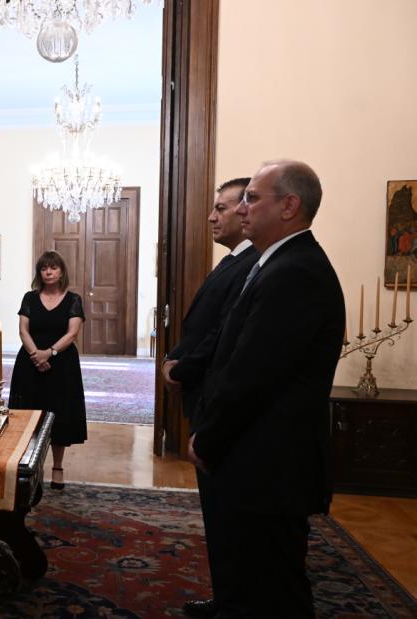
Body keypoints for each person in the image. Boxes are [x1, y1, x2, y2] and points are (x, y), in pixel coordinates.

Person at [189, 160, 344, 617]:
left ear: (289, 206)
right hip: (256, 454)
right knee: (247, 569)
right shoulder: (278, 263)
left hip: (269, 459)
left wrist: (209, 436)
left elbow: (252, 373)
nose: (242, 209)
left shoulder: (295, 272)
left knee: (274, 583)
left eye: (252, 199)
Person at [161, 177, 259, 618]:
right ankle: (227, 598)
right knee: (218, 517)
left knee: (228, 517)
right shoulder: (233, 261)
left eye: (221, 208)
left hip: (214, 397)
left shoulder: (252, 264)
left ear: (244, 210)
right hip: (203, 393)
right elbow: (203, 326)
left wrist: (181, 368)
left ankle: (233, 603)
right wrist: (175, 356)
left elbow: (222, 335)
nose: (211, 216)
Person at [8, 251, 87, 489]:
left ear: (61, 272)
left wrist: (49, 353)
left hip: (61, 364)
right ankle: (30, 465)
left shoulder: (73, 299)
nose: (48, 272)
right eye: (44, 268)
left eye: (53, 268)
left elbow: (72, 333)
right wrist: (36, 355)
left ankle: (57, 467)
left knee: (59, 413)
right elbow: (23, 330)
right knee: (29, 414)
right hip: (30, 363)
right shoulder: (29, 298)